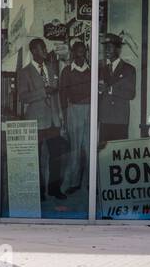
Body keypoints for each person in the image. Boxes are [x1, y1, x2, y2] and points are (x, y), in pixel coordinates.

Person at [18, 37, 64, 201]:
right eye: (41, 48)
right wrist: (43, 92)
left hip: (53, 121)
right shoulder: (24, 72)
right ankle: (39, 191)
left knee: (56, 156)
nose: (45, 50)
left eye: (44, 47)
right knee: (35, 159)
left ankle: (54, 189)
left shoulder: (51, 69)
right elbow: (23, 97)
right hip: (36, 121)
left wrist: (60, 116)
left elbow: (56, 94)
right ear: (33, 51)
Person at [58, 39, 91, 196]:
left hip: (91, 111)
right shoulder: (66, 71)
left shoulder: (92, 70)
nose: (81, 56)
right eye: (78, 53)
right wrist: (64, 119)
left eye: (83, 53)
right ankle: (72, 182)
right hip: (73, 112)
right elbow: (63, 96)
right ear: (72, 53)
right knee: (75, 149)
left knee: (90, 149)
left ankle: (92, 183)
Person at [97, 32, 136, 144]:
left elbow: (131, 94)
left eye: (110, 47)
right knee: (104, 153)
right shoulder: (102, 69)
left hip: (119, 119)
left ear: (118, 49)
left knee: (118, 151)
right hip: (104, 118)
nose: (106, 50)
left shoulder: (128, 69)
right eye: (105, 47)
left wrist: (109, 89)